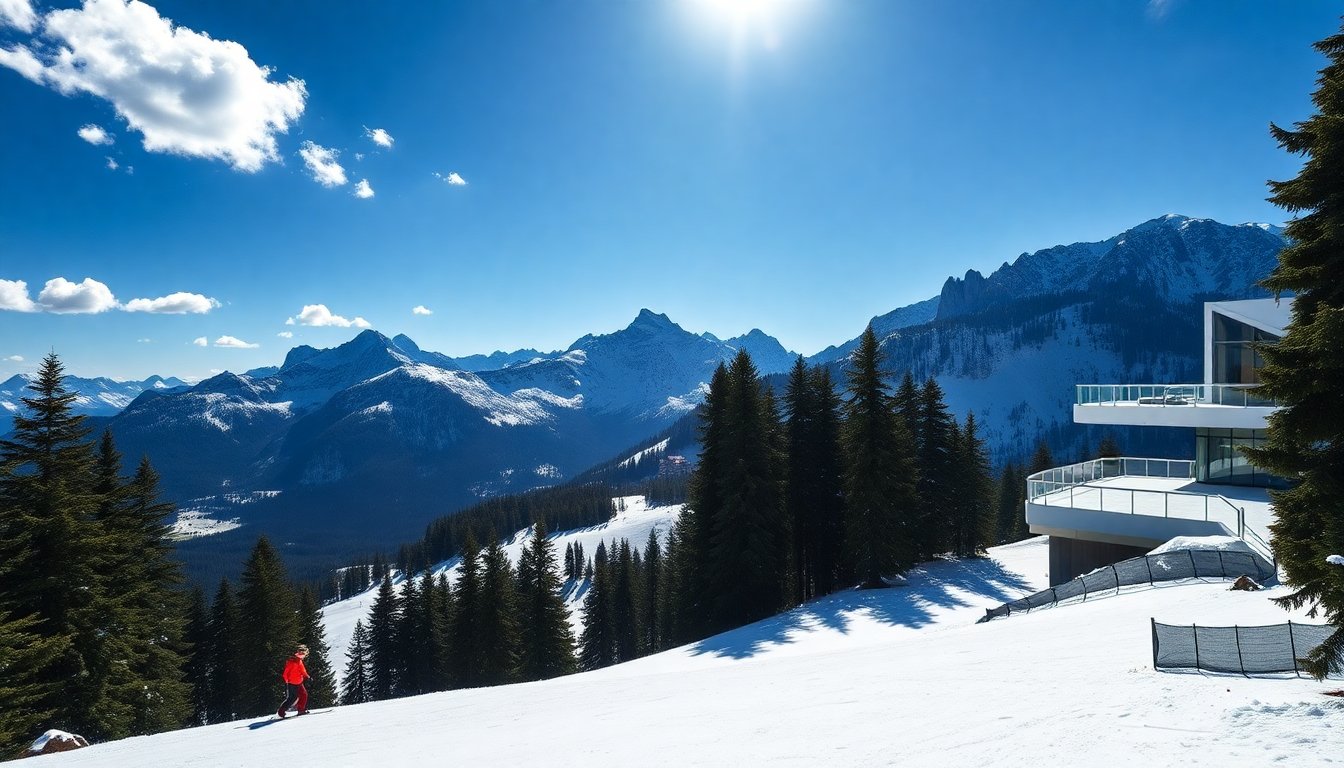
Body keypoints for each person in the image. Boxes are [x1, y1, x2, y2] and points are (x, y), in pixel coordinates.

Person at [276, 644, 311, 718]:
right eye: (303, 654)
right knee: (292, 698)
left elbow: (302, 671)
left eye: (304, 654)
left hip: (299, 681)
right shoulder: (292, 661)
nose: (304, 655)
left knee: (304, 695)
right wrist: (287, 682)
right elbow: (285, 673)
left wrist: (307, 677)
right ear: (299, 653)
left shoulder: (299, 661)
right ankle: (281, 712)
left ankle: (301, 710)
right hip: (292, 683)